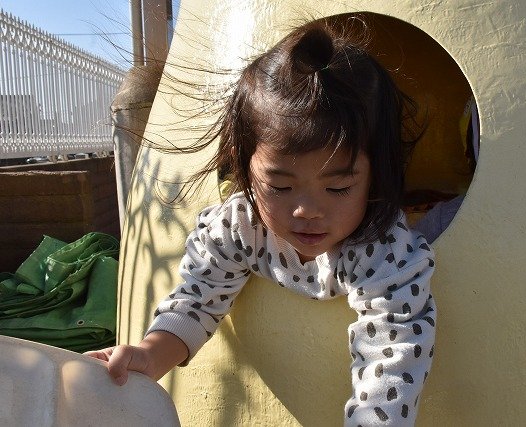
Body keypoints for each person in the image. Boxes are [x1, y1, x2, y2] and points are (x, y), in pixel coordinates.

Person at [86, 18, 436, 426]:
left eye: (338, 188)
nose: (307, 210)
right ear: (245, 168)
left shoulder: (385, 249)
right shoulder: (238, 226)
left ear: (375, 175)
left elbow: (392, 352)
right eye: (280, 187)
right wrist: (150, 355)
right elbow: (197, 300)